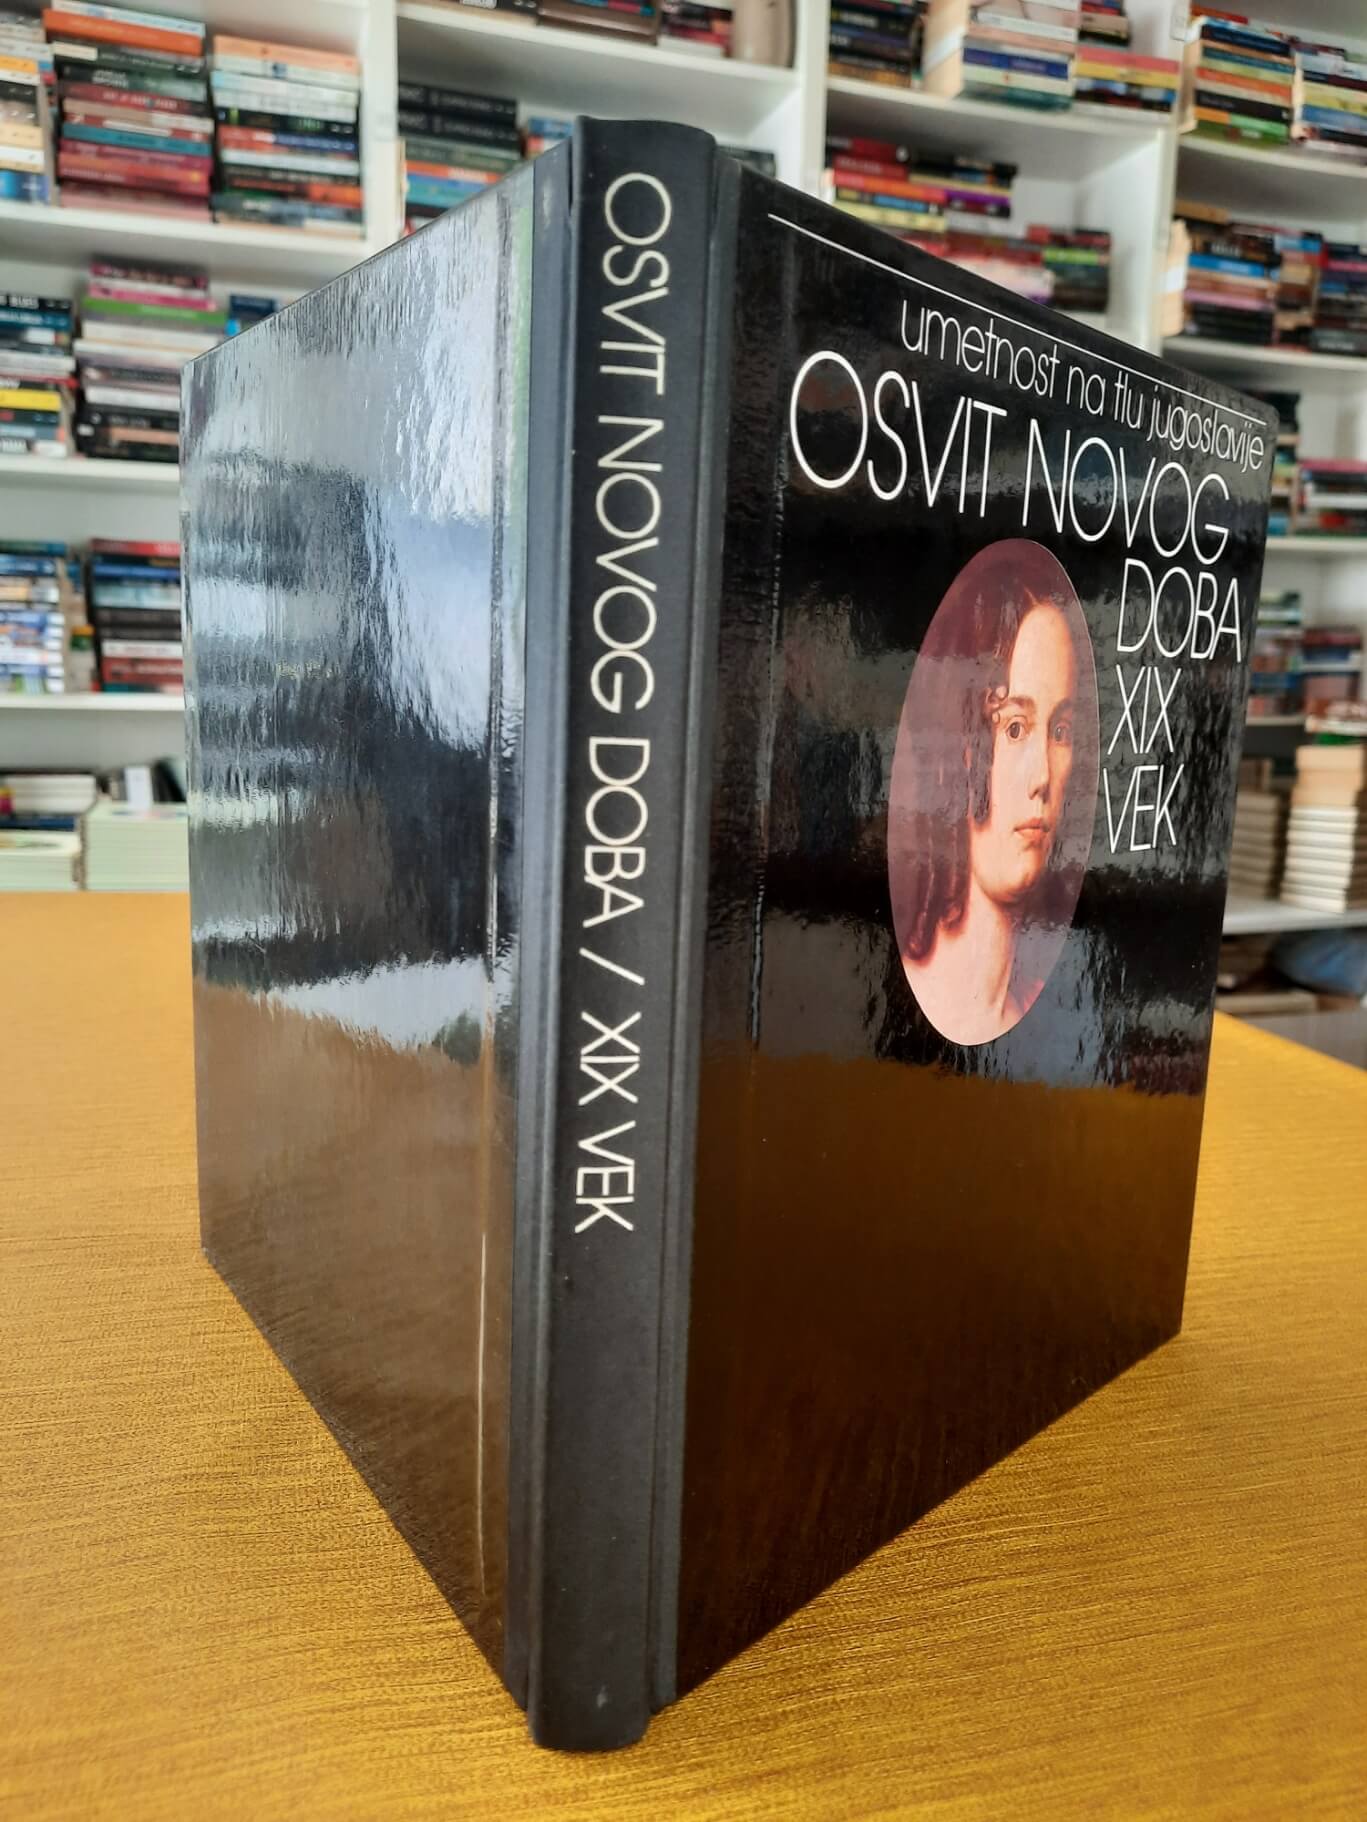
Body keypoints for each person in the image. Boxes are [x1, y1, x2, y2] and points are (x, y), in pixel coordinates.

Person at [889, 541, 1099, 1046]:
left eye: (1061, 731)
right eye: (1014, 728)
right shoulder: (891, 994)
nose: (1042, 775)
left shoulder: (1050, 1016)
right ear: (955, 744)